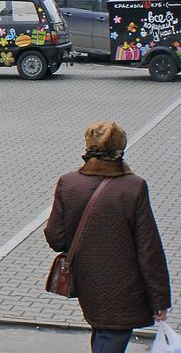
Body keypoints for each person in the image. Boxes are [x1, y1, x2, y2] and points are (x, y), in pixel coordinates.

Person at [44, 121, 170, 353]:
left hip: (87, 283)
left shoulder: (69, 183)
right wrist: (159, 299)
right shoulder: (134, 187)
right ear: (120, 150)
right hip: (126, 288)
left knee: (102, 335)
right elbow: (148, 248)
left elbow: (56, 238)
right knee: (110, 338)